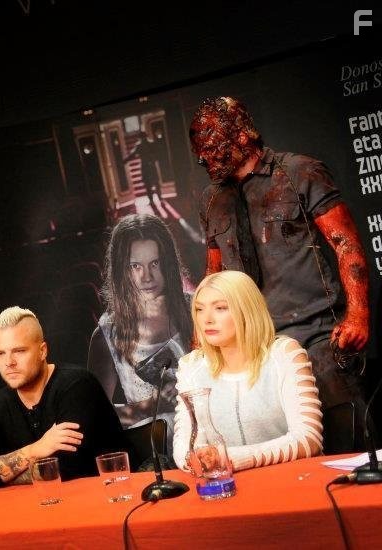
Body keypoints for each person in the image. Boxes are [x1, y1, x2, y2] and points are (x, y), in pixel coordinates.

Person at [190, 96, 372, 445]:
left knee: (348, 442)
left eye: (211, 146)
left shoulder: (299, 172)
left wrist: (358, 315)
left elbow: (345, 242)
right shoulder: (212, 200)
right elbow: (213, 274)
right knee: (283, 448)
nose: (203, 157)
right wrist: (199, 337)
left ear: (242, 136)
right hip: (257, 346)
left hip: (317, 334)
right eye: (199, 150)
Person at [0, 307, 132, 490]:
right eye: (0, 353)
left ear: (42, 351)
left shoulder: (77, 385)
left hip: (110, 497)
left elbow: (69, 468)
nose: (9, 362)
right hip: (43, 507)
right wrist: (35, 449)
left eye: (19, 351)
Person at [172, 270, 323, 471]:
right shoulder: (190, 367)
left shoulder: (284, 354)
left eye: (220, 308)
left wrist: (234, 457)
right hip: (226, 487)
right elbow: (183, 447)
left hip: (293, 481)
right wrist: (195, 459)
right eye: (199, 309)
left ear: (247, 310)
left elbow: (308, 439)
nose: (206, 319)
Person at [87, 214, 192, 459]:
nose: (147, 276)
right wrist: (150, 406)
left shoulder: (194, 310)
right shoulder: (108, 333)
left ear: (168, 264)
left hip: (206, 436)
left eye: (155, 263)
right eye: (136, 266)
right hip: (152, 453)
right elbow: (95, 416)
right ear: (122, 271)